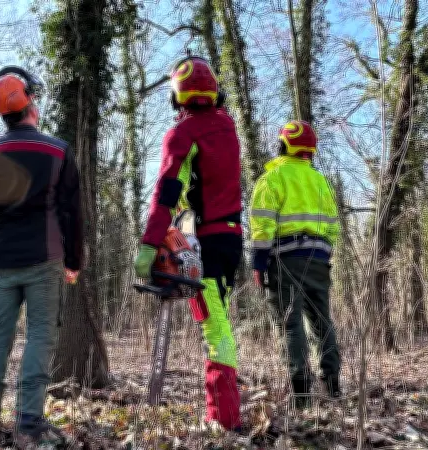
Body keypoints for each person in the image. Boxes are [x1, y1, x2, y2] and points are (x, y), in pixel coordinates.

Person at [0, 65, 82, 443]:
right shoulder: (57, 150)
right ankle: (29, 420)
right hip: (44, 258)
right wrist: (74, 260)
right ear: (31, 101)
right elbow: (71, 212)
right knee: (39, 336)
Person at [133, 55, 244, 432]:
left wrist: (150, 242)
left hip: (208, 242)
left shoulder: (184, 134)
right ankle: (223, 412)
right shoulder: (227, 127)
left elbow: (169, 190)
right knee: (218, 318)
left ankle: (224, 418)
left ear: (176, 98)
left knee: (214, 326)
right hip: (230, 239)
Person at [249, 120, 342, 409]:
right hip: (319, 259)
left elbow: (262, 225)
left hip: (285, 260)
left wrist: (258, 263)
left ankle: (301, 394)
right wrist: (325, 254)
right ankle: (333, 384)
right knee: (322, 321)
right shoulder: (319, 181)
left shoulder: (272, 178)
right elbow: (333, 225)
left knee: (291, 325)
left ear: (283, 144)